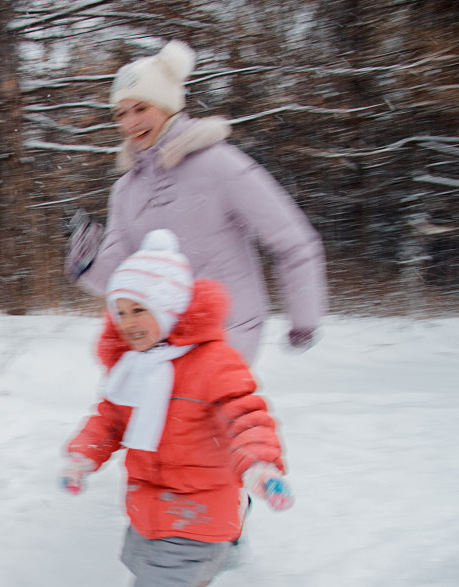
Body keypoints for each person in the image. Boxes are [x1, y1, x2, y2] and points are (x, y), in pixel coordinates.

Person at [62, 229, 294, 587]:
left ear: (168, 307)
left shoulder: (213, 363)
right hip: (151, 503)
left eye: (139, 309)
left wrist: (259, 466)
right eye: (119, 311)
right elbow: (108, 420)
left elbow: (244, 415)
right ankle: (219, 556)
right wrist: (82, 457)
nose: (127, 322)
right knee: (135, 558)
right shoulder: (133, 366)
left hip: (198, 508)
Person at [65, 40, 327, 364]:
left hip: (225, 333)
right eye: (122, 113)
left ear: (168, 105)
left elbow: (292, 241)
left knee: (202, 413)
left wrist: (304, 320)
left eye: (141, 108)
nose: (131, 123)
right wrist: (85, 261)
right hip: (160, 338)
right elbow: (118, 274)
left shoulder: (220, 165)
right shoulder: (125, 190)